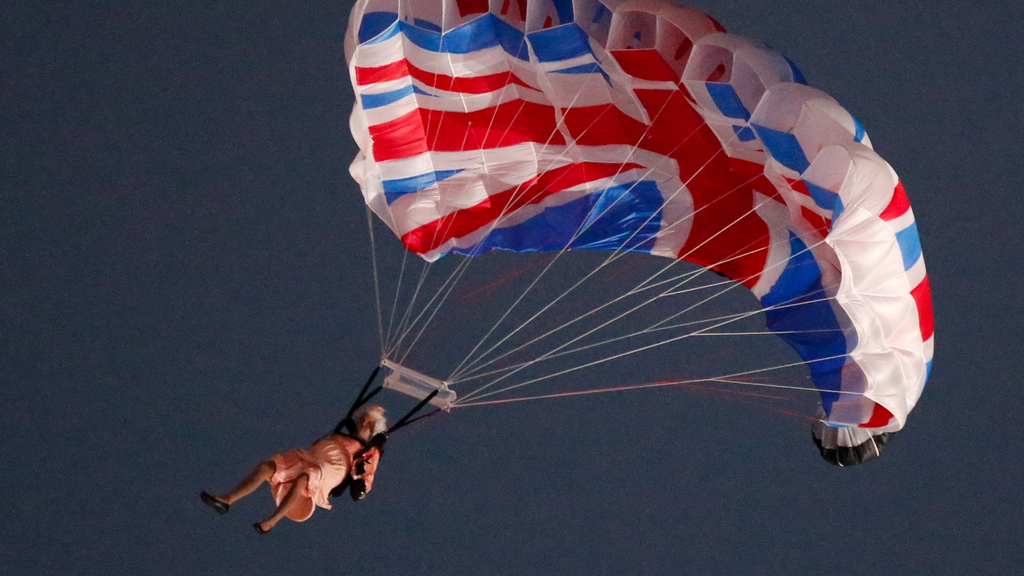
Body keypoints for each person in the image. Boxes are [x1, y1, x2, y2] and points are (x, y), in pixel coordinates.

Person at [200, 404, 388, 534]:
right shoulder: (343, 433)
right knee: (266, 467)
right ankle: (227, 500)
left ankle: (270, 522)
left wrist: (360, 479)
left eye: (368, 421)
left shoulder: (371, 451)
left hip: (335, 466)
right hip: (313, 455)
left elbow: (362, 489)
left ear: (372, 428)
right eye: (363, 418)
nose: (363, 422)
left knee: (304, 479)